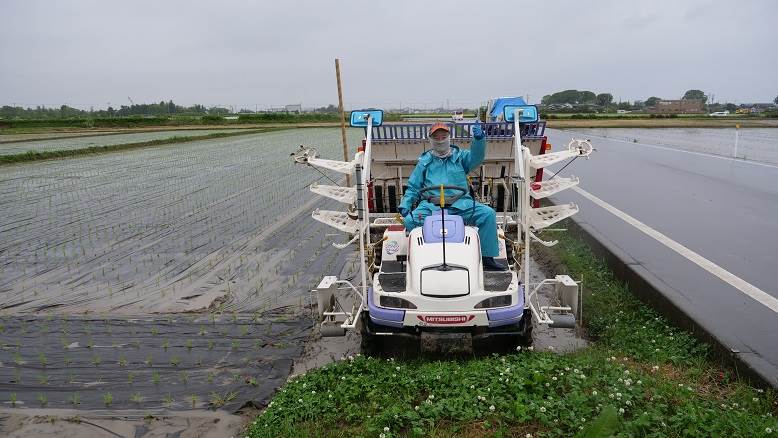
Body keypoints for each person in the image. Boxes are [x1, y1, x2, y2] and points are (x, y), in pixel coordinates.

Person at [398, 121, 507, 271]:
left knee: (488, 214)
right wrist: (405, 204)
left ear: (449, 137)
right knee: (409, 220)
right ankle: (425, 256)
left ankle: (487, 258)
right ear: (431, 140)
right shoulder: (423, 163)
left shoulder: (461, 157)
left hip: (462, 205)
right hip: (431, 207)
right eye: (437, 137)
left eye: (444, 136)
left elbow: (477, 156)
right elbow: (413, 187)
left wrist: (479, 140)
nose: (440, 140)